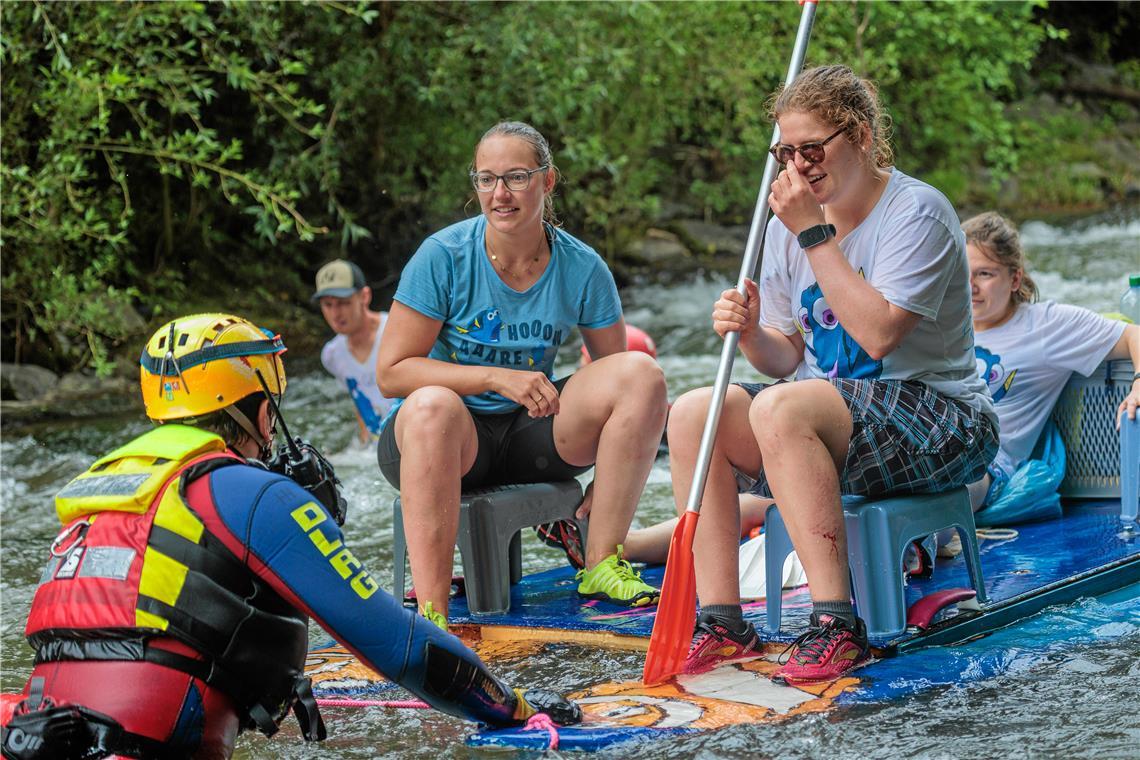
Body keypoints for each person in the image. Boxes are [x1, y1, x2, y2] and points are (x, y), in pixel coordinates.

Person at [1, 313, 579, 760]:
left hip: (38, 732)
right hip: (145, 743)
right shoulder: (255, 495)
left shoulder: (102, 486)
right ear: (256, 412)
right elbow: (399, 645)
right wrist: (513, 706)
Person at [666, 65, 997, 684]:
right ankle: (721, 622)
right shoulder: (785, 228)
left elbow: (878, 332)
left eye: (812, 148)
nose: (798, 166)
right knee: (692, 412)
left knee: (781, 408)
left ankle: (835, 625)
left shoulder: (915, 212)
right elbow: (787, 357)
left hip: (943, 418)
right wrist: (751, 332)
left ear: (863, 136)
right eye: (784, 151)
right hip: (833, 418)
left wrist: (814, 234)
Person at [375, 120, 669, 628]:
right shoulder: (443, 256)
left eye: (516, 177)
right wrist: (492, 377)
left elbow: (614, 373)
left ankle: (601, 561)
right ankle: (432, 613)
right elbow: (393, 373)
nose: (500, 194)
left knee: (642, 374)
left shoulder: (583, 266)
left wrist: (610, 474)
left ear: (547, 181)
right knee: (430, 404)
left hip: (531, 437)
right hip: (447, 440)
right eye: (486, 179)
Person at [963, 211, 1140, 513]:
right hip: (935, 445)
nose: (971, 286)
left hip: (985, 468)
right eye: (962, 274)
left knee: (943, 489)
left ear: (1015, 278)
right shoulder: (943, 328)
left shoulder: (1045, 326)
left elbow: (1133, 334)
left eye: (985, 274)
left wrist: (1138, 384)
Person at [313, 259, 393, 444]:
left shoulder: (395, 330)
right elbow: (359, 397)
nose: (335, 314)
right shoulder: (331, 355)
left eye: (343, 303)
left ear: (364, 296)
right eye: (327, 304)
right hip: (378, 447)